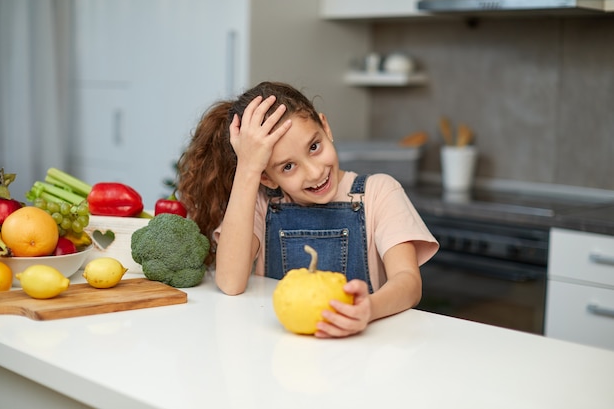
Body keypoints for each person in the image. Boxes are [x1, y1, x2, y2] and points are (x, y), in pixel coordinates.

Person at [177, 81, 438, 338]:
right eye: (287, 167)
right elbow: (230, 283)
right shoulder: (261, 203)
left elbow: (409, 283)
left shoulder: (379, 193)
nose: (314, 173)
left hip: (358, 350)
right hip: (282, 347)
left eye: (314, 147)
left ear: (325, 126)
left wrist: (369, 309)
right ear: (266, 178)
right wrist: (248, 168)